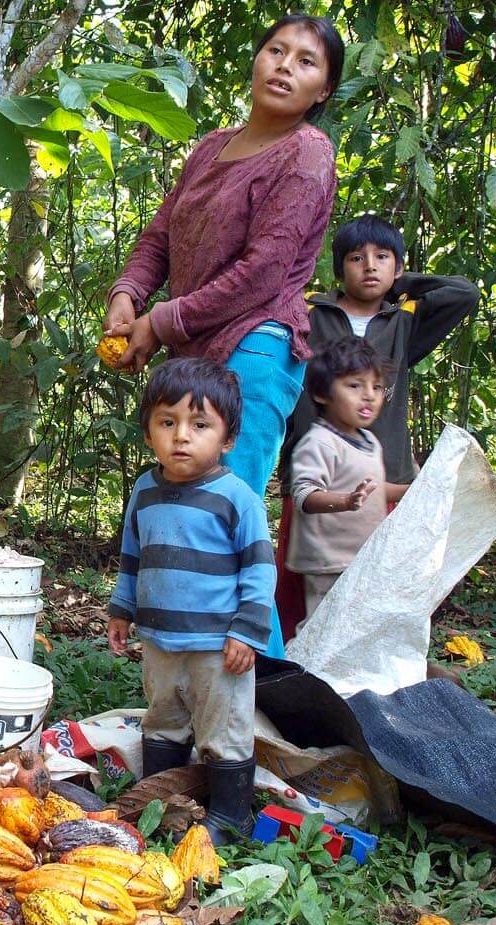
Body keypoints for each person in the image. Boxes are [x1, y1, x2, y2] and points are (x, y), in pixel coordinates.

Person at [104, 12, 345, 660]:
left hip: (255, 346)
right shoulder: (211, 146)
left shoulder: (306, 153)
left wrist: (159, 321)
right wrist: (128, 295)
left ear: (322, 89)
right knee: (180, 525)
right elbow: (158, 237)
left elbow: (262, 271)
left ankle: (261, 704)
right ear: (255, 58)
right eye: (276, 50)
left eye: (305, 61)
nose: (284, 66)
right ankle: (188, 699)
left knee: (221, 530)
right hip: (192, 358)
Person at [274, 214, 481, 637]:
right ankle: (294, 672)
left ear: (397, 266)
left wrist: (403, 284)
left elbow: (464, 293)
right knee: (305, 583)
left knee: (379, 584)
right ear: (339, 269)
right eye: (356, 258)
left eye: (382, 257)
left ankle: (373, 676)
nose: (369, 266)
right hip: (318, 473)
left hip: (385, 476)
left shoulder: (404, 322)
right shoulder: (311, 313)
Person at [108, 359, 275, 845]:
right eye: (168, 422)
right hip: (159, 640)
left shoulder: (236, 497)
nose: (182, 436)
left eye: (199, 425)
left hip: (218, 646)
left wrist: (247, 630)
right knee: (163, 719)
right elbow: (133, 557)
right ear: (148, 432)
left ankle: (230, 815)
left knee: (222, 727)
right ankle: (158, 800)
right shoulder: (144, 490)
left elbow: (260, 569)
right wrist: (122, 610)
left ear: (226, 439)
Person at [285, 340, 407, 627]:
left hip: (361, 557)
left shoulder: (370, 442)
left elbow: (374, 489)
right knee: (324, 626)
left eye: (376, 387)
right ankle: (309, 670)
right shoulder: (319, 443)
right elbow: (304, 495)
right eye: (355, 386)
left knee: (354, 627)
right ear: (321, 393)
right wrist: (345, 501)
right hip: (327, 560)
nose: (368, 396)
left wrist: (413, 489)